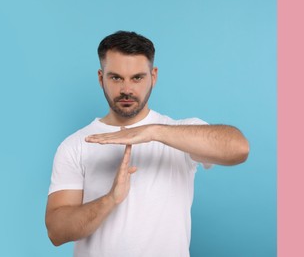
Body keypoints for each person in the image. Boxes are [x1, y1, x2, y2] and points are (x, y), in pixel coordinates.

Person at [46, 30, 252, 256]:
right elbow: (56, 231)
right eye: (116, 77)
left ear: (153, 76)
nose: (126, 89)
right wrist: (109, 200)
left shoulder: (180, 133)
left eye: (137, 78)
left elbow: (239, 148)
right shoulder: (76, 145)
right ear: (100, 78)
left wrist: (153, 132)